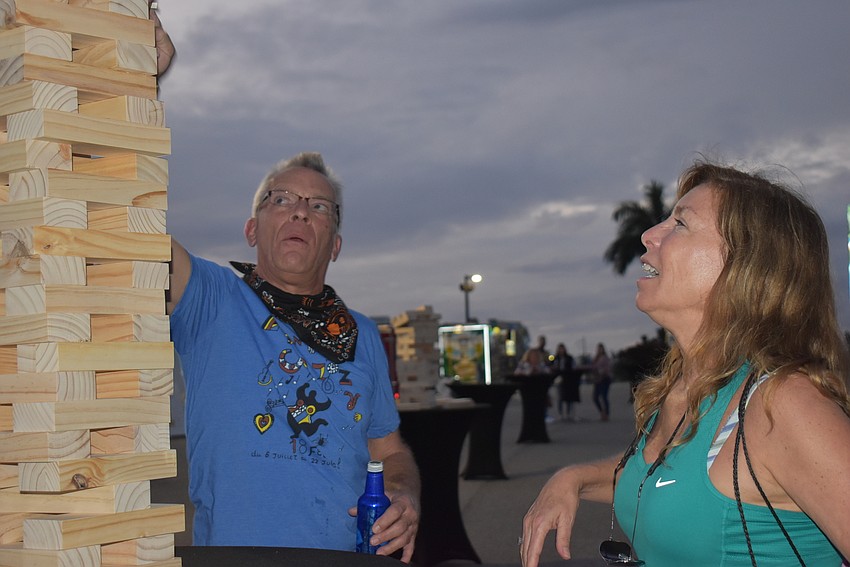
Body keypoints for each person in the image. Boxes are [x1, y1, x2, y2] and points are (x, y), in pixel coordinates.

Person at [152, 11, 420, 560]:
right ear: (253, 230)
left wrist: (403, 490)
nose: (299, 211)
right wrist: (138, 80)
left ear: (335, 243)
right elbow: (118, 218)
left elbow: (390, 451)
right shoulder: (210, 298)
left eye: (318, 206)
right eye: (281, 200)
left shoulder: (361, 334)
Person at [521, 160, 850, 566]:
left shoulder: (784, 404)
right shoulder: (681, 386)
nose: (648, 234)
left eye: (680, 224)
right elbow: (666, 481)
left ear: (744, 266)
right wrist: (574, 477)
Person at [553, 343, 580, 421]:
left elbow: (574, 366)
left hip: (568, 380)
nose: (561, 350)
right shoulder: (555, 358)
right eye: (560, 349)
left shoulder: (569, 358)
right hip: (558, 379)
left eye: (562, 348)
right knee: (560, 398)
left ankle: (568, 414)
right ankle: (560, 414)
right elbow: (550, 363)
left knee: (568, 397)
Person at [590, 343, 612, 421]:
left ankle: (606, 414)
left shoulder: (605, 358)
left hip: (605, 379)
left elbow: (607, 368)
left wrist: (601, 372)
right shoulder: (595, 358)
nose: (600, 350)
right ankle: (602, 412)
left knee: (604, 397)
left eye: (601, 348)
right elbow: (592, 367)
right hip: (597, 380)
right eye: (598, 348)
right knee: (595, 397)